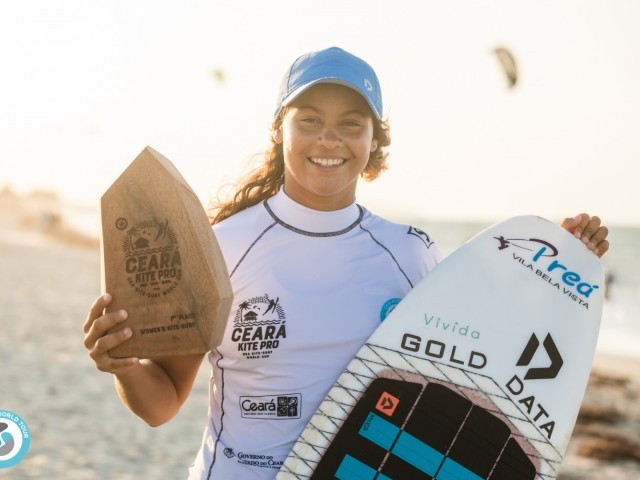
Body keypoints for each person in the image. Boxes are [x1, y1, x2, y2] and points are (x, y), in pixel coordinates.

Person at [83, 47, 610, 479]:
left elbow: (483, 351)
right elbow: (162, 404)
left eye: (350, 124)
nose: (328, 139)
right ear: (280, 130)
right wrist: (124, 365)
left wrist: (559, 264)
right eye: (309, 120)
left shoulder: (409, 253)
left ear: (373, 140)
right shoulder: (221, 247)